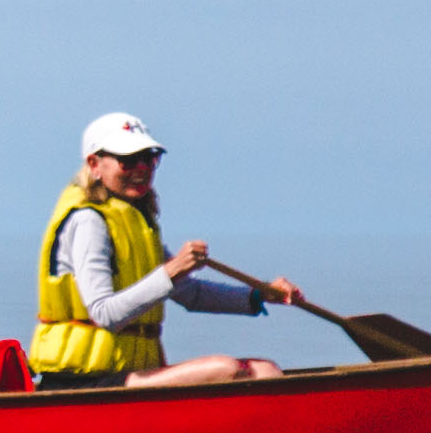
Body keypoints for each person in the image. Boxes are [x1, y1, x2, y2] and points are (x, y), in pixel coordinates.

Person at [29, 113, 305, 387]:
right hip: (83, 382)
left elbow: (190, 294)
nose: (141, 168)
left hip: (125, 373)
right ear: (94, 164)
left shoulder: (135, 222)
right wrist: (173, 269)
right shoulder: (89, 221)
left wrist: (259, 295)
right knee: (226, 369)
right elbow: (104, 314)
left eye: (148, 157)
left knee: (265, 370)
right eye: (127, 160)